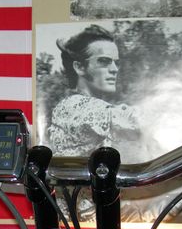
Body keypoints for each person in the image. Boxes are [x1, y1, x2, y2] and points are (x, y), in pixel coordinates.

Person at [47, 24, 140, 157]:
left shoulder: (90, 107)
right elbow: (133, 120)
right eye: (104, 61)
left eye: (116, 62)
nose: (114, 69)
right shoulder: (74, 106)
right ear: (79, 67)